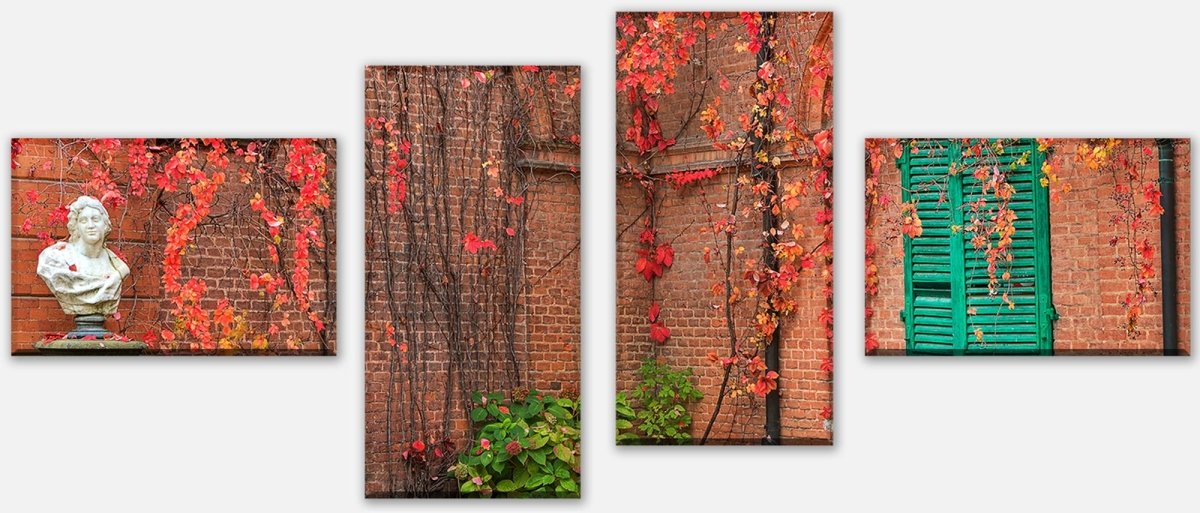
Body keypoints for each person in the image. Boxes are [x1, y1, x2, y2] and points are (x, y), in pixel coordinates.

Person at [36, 195, 130, 316]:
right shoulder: (56, 258)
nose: (90, 225)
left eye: (95, 219)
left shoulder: (116, 266)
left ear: (105, 225)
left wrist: (119, 275)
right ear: (76, 227)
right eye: (83, 220)